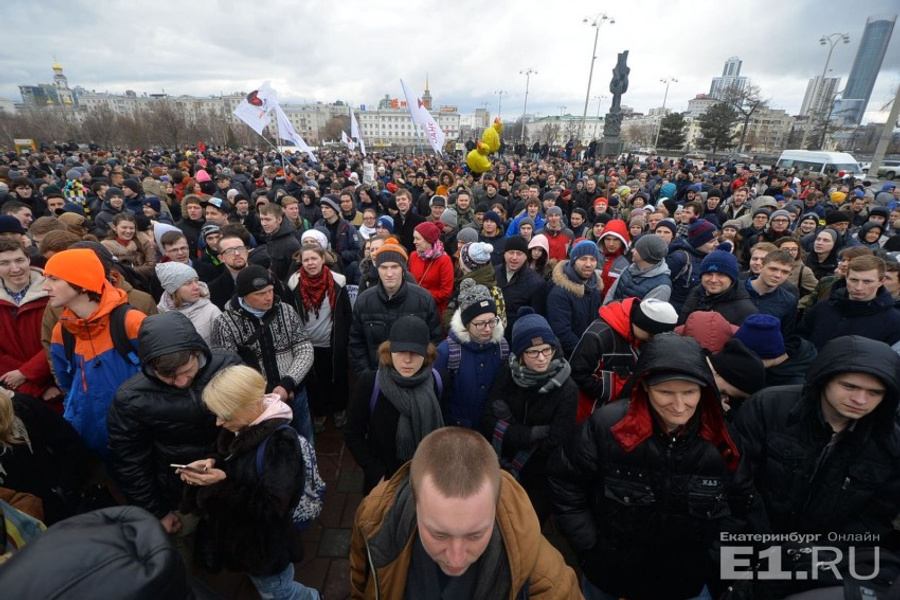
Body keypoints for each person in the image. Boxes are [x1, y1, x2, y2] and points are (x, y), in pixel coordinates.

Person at [549, 333, 753, 600]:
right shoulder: (607, 427)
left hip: (683, 584)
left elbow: (741, 504)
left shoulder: (722, 440)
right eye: (666, 392)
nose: (679, 406)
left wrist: (708, 559)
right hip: (609, 579)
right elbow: (565, 480)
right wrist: (591, 548)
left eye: (690, 392)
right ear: (644, 386)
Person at [733, 336, 900, 599]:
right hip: (745, 547)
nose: (860, 399)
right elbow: (738, 482)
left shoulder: (889, 443)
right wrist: (765, 545)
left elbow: (875, 516)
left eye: (875, 392)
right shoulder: (768, 407)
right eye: (849, 386)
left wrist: (815, 553)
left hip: (822, 564)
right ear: (824, 378)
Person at [349, 426, 582, 599]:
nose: (456, 558)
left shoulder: (549, 583)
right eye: (439, 535)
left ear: (496, 505)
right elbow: (361, 581)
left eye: (475, 535)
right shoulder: (374, 516)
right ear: (414, 500)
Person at [107, 311, 242, 564]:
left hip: (231, 481)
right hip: (179, 496)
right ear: (150, 367)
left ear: (196, 352)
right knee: (181, 555)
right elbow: (130, 462)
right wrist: (156, 512)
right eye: (168, 377)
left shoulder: (229, 365)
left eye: (186, 370)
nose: (180, 382)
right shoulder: (130, 399)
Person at [178, 365, 321, 600]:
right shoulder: (242, 426)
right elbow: (231, 460)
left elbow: (272, 506)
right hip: (246, 543)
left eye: (224, 415)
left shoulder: (281, 443)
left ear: (249, 407)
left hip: (266, 548)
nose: (218, 423)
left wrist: (221, 484)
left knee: (281, 593)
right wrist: (212, 464)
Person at [44, 248, 146, 456]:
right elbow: (66, 382)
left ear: (81, 282)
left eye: (54, 279)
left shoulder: (131, 322)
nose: (45, 287)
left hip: (140, 436)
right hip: (93, 440)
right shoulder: (62, 331)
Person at [479, 308, 577, 524]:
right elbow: (487, 418)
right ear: (520, 355)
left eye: (547, 350)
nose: (542, 358)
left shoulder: (567, 389)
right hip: (501, 462)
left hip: (539, 475)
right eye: (533, 352)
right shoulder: (508, 372)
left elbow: (556, 441)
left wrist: (508, 429)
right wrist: (530, 434)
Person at [345, 316, 450, 494]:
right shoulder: (371, 383)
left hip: (424, 484)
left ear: (426, 354)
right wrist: (376, 474)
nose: (407, 360)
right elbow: (353, 433)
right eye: (401, 351)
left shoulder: (438, 381)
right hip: (384, 484)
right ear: (389, 351)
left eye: (415, 352)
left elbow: (445, 428)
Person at [211, 265, 314, 442]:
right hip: (257, 405)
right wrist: (263, 394)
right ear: (244, 295)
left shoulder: (286, 311)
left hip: (294, 394)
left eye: (271, 291)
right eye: (260, 294)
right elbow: (228, 370)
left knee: (305, 439)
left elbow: (304, 347)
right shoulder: (224, 324)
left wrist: (288, 383)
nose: (268, 297)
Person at [570, 297, 679, 422]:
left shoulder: (640, 338)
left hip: (619, 412)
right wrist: (621, 388)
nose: (651, 340)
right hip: (592, 413)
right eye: (651, 335)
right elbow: (577, 374)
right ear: (641, 324)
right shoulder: (598, 335)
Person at [348, 239, 442, 373]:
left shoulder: (423, 299)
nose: (389, 273)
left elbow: (434, 340)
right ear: (377, 268)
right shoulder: (364, 300)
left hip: (414, 377)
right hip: (376, 377)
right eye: (384, 267)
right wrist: (366, 374)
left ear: (403, 268)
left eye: (395, 267)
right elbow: (356, 342)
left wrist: (421, 373)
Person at [287, 243, 352, 435]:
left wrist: (343, 338)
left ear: (323, 259)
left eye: (314, 258)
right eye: (306, 260)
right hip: (307, 344)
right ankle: (320, 412)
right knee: (314, 380)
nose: (310, 263)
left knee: (338, 376)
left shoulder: (338, 281)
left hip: (332, 341)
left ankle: (340, 408)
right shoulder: (294, 283)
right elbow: (291, 313)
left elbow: (346, 313)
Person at [0, 388, 87, 524]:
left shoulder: (21, 407)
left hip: (57, 512)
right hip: (14, 529)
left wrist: (64, 489)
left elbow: (69, 444)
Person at [436, 279, 508, 429]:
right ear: (466, 324)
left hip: (490, 428)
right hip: (457, 430)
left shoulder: (502, 347)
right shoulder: (447, 352)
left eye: (492, 321)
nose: (488, 328)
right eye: (480, 323)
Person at [797, 255, 900, 349]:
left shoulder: (893, 321)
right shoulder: (824, 306)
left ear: (880, 282)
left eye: (867, 281)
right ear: (846, 278)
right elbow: (800, 337)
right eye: (854, 280)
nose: (859, 287)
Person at [0, 239, 59, 404]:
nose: (15, 269)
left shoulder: (54, 292)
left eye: (19, 260)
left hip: (58, 384)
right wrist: (35, 388)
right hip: (15, 390)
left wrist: (26, 373)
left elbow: (59, 340)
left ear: (28, 260)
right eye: (4, 263)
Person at [547, 240, 605, 357]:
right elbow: (561, 332)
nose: (588, 264)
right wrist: (587, 352)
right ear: (573, 261)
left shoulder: (595, 288)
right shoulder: (560, 292)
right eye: (583, 259)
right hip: (570, 356)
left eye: (593, 259)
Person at [679, 250, 758, 326]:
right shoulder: (696, 292)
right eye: (709, 274)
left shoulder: (746, 310)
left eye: (721, 275)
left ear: (732, 278)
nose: (713, 280)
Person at [154, 262, 221, 344]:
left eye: (196, 281)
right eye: (188, 283)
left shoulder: (211, 311)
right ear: (174, 289)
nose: (196, 287)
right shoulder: (160, 315)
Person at [603, 234, 672, 304]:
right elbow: (611, 293)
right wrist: (604, 311)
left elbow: (646, 314)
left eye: (636, 249)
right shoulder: (629, 268)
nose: (632, 250)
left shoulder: (661, 288)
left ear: (645, 255)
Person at [409, 221, 454, 317]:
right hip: (414, 309)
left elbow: (445, 293)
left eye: (417, 239)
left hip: (435, 312)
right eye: (414, 238)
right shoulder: (413, 256)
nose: (414, 242)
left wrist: (421, 295)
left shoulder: (444, 260)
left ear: (428, 240)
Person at [258, 203, 301, 282]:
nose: (263, 223)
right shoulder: (269, 235)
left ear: (279, 220)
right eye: (262, 219)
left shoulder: (291, 244)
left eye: (267, 219)